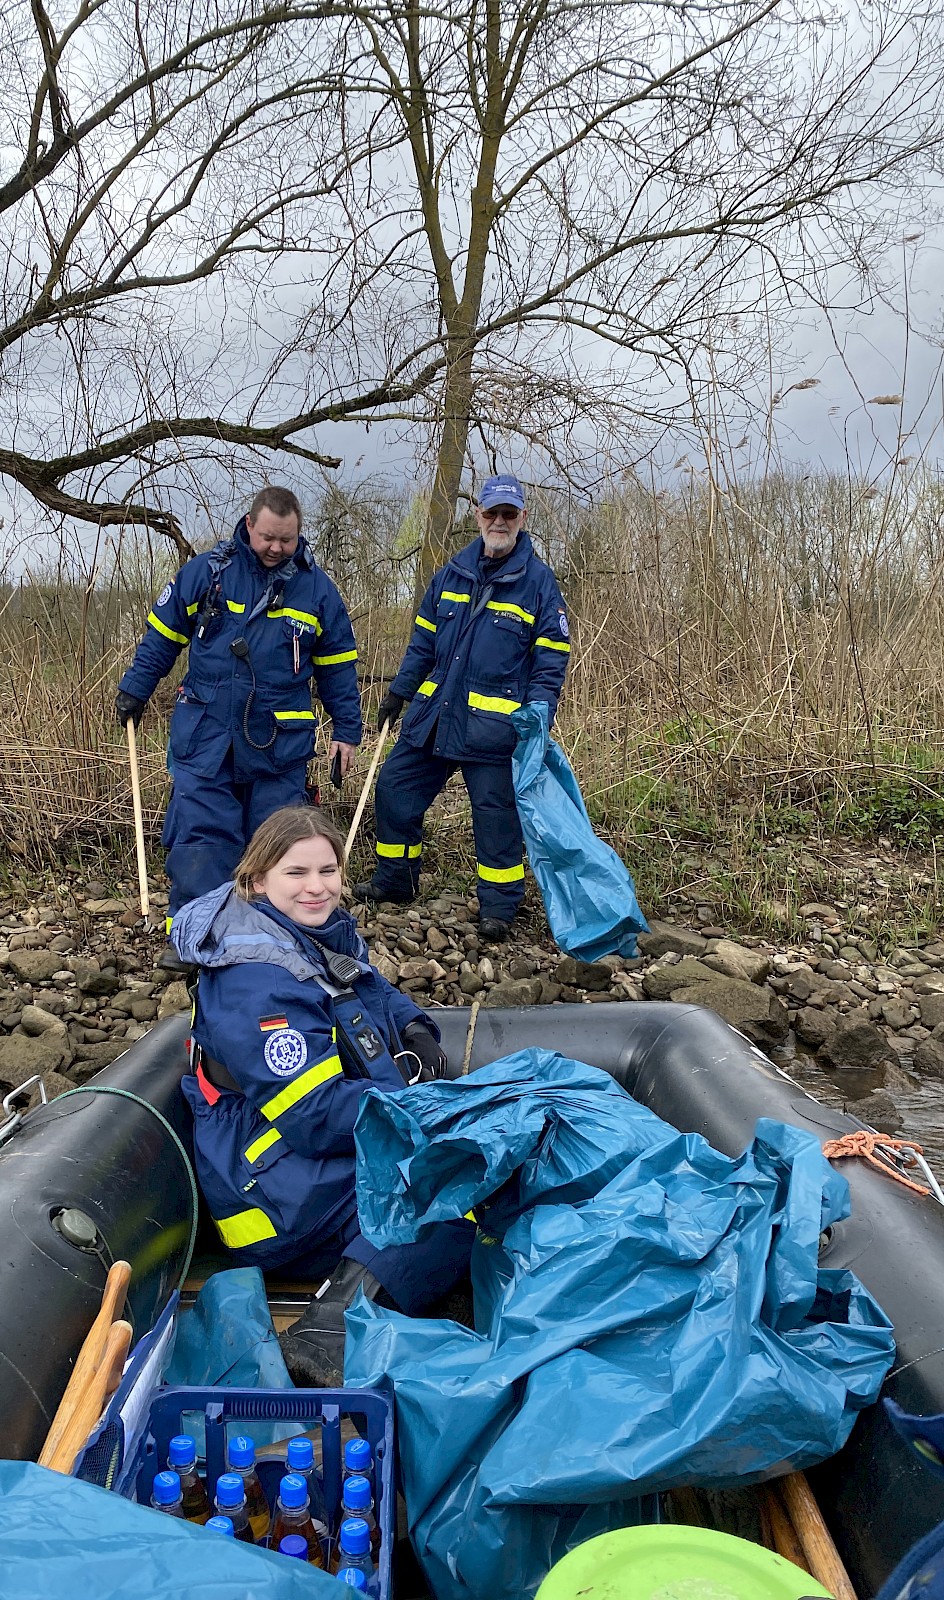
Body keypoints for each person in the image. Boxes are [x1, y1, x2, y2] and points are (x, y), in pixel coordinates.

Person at [170, 805, 474, 1386]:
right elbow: (311, 1117)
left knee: (468, 1169)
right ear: (258, 880)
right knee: (454, 1195)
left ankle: (399, 1286)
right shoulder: (255, 981)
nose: (317, 887)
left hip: (304, 1158)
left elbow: (371, 988)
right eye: (296, 873)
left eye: (328, 870)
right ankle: (328, 1329)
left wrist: (414, 1029)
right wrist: (417, 1111)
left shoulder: (314, 935)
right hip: (271, 1190)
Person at [115, 487, 363, 961]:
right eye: (269, 537)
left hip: (278, 746)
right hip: (206, 737)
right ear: (250, 525)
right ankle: (193, 935)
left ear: (298, 534)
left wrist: (347, 729)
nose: (276, 548)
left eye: (286, 541)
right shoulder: (208, 573)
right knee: (202, 839)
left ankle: (275, 940)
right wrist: (135, 688)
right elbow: (162, 637)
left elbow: (338, 668)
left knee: (279, 845)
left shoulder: (318, 591)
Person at [354, 473, 570, 942]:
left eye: (508, 514)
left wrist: (538, 712)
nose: (499, 521)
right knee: (393, 786)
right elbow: (423, 643)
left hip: (495, 727)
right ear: (478, 515)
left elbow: (551, 659)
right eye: (491, 512)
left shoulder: (538, 583)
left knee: (496, 817)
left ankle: (498, 907)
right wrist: (399, 692)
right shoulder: (451, 573)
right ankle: (396, 880)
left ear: (522, 518)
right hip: (435, 716)